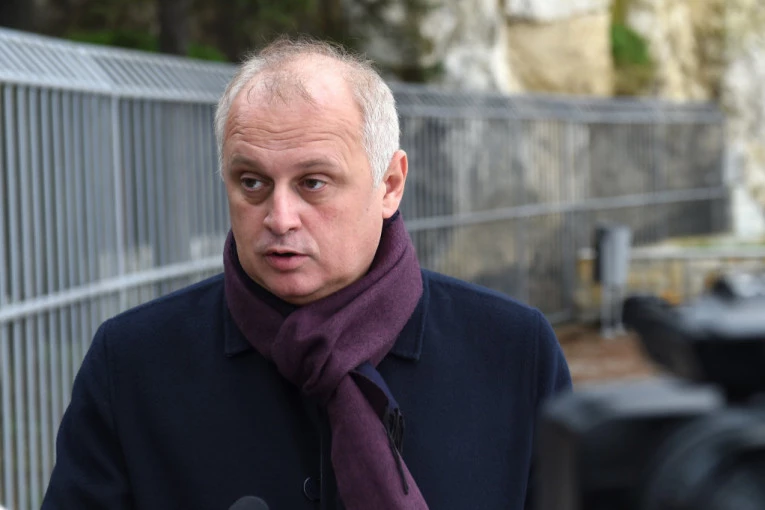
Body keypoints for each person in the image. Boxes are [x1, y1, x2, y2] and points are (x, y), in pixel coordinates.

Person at [42, 37, 571, 510]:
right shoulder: (133, 364)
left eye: (313, 182)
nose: (280, 218)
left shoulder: (514, 353)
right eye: (252, 182)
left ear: (390, 185)